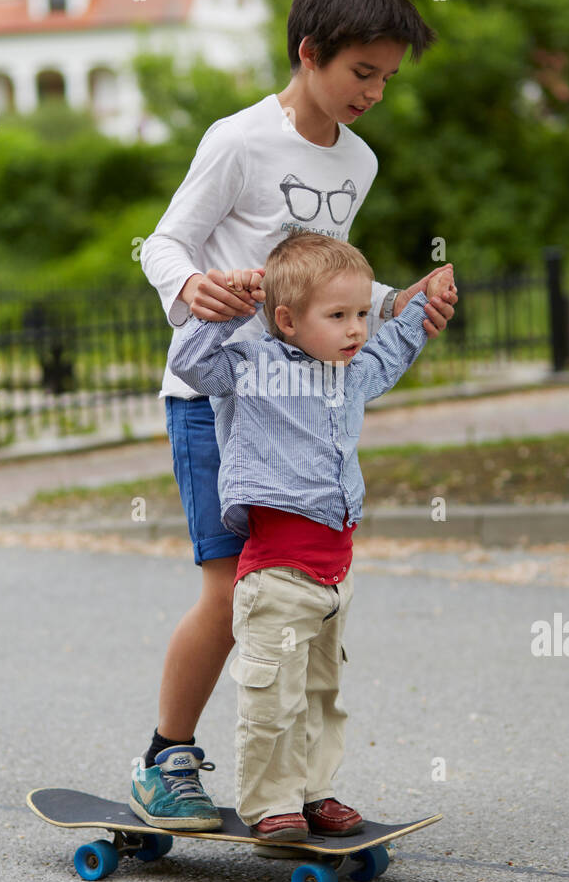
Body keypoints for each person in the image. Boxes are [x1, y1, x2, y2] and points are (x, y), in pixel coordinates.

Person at [131, 0, 452, 831]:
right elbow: (165, 242)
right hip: (211, 394)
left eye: (386, 77)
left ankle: (299, 780)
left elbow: (327, 276)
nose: (374, 92)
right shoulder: (237, 141)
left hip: (290, 403)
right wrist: (189, 289)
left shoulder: (359, 162)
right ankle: (167, 757)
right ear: (309, 52)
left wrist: (398, 302)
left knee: (298, 601)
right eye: (362, 72)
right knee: (235, 590)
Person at [156, 233, 456, 838]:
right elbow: (191, 364)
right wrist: (230, 307)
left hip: (333, 577)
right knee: (273, 698)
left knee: (321, 694)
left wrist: (423, 306)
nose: (355, 330)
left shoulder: (350, 375)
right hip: (276, 574)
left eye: (360, 316)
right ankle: (272, 804)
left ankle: (314, 792)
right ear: (288, 320)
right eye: (339, 316)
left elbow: (392, 350)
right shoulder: (250, 367)